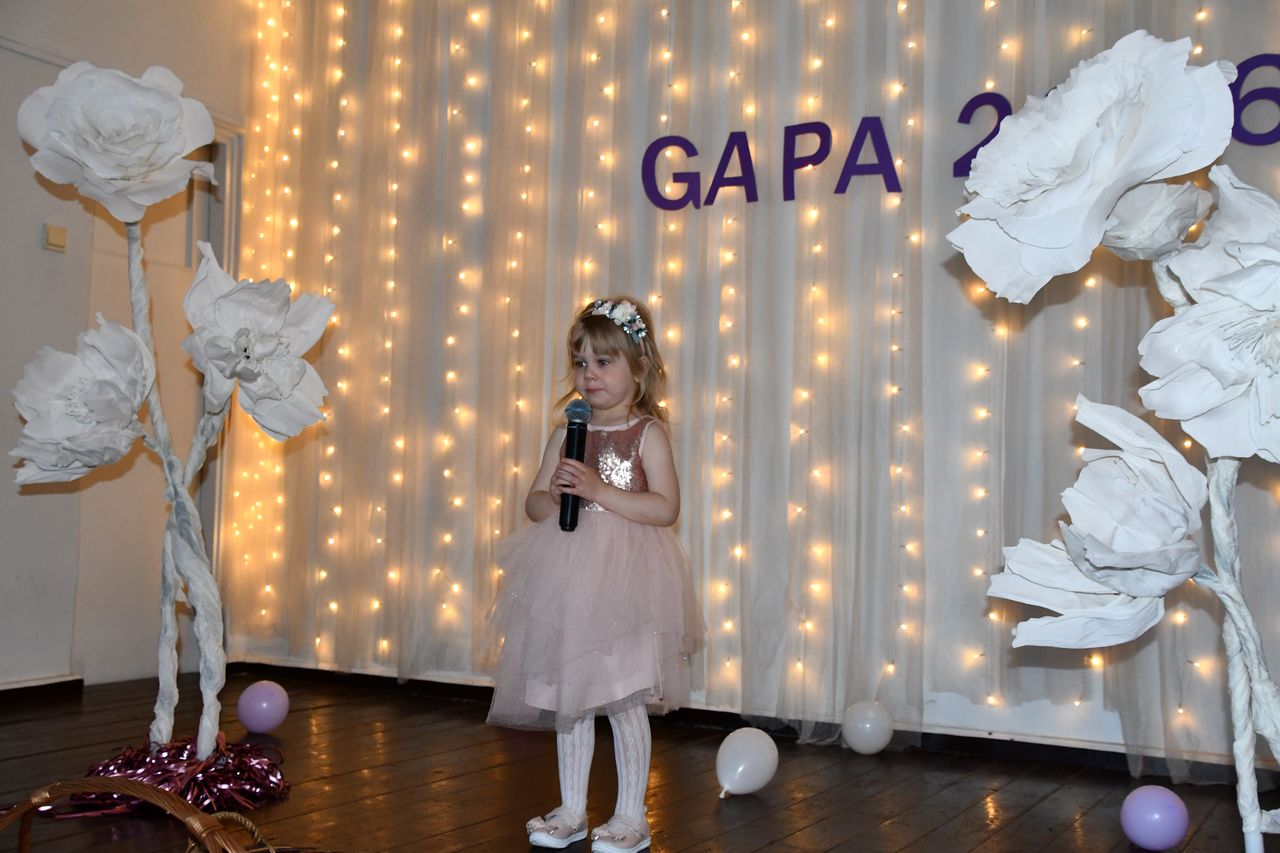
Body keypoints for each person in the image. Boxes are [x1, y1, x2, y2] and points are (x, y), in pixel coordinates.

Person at [486, 296, 705, 853]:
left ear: (640, 368)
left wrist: (599, 490)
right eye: (581, 362)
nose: (590, 374)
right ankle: (570, 809)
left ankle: (632, 816)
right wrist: (556, 494)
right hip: (569, 578)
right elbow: (534, 502)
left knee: (623, 696)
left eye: (604, 362)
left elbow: (665, 507)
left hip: (627, 583)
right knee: (572, 695)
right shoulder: (568, 433)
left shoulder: (646, 433)